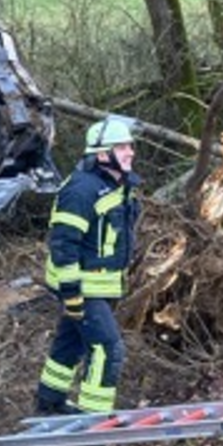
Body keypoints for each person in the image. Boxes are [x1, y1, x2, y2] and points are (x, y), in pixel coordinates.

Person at [35, 115, 140, 416]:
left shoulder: (118, 186)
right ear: (102, 154)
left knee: (71, 343)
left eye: (130, 146)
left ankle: (49, 402)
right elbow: (63, 245)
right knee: (108, 349)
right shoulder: (80, 191)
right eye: (122, 148)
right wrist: (71, 293)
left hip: (99, 285)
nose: (130, 152)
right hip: (81, 286)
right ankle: (94, 421)